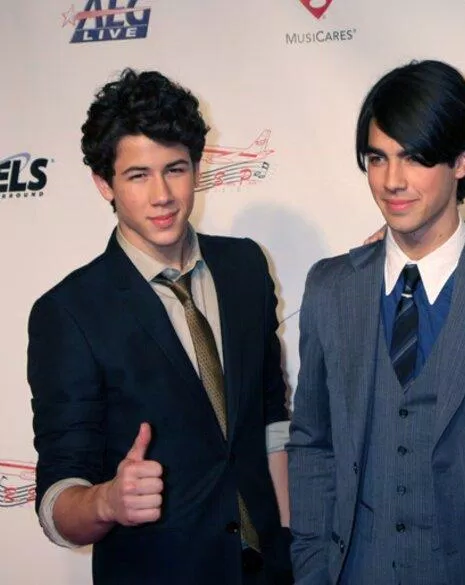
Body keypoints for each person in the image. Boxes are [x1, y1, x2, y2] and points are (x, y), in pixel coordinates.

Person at [287, 60, 465, 585]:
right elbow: (312, 444)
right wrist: (312, 567)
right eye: (377, 158)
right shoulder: (329, 289)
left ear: (462, 161)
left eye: (415, 158)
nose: (392, 181)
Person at [28, 68, 293, 585]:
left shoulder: (245, 268)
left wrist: (290, 535)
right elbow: (57, 501)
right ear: (103, 183)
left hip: (270, 570)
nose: (162, 194)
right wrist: (107, 499)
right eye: (137, 175)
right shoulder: (69, 312)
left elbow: (270, 418)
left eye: (175, 169)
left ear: (197, 168)